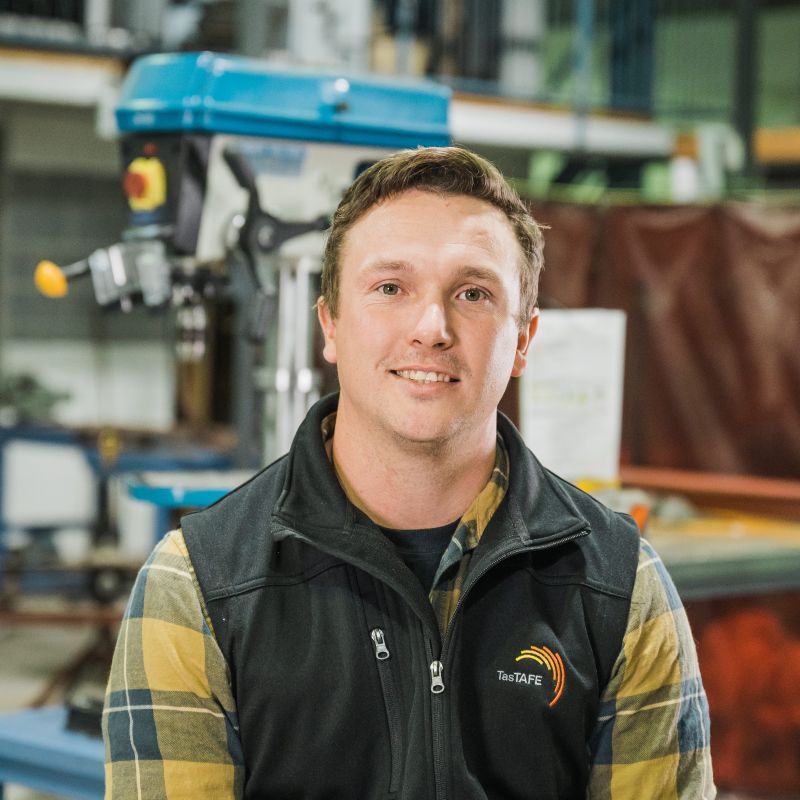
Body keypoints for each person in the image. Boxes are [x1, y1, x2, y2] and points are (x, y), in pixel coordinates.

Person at [103, 146, 715, 799]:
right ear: (330, 326)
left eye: (474, 293)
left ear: (525, 342)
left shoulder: (621, 588)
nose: (432, 327)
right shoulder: (196, 589)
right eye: (391, 287)